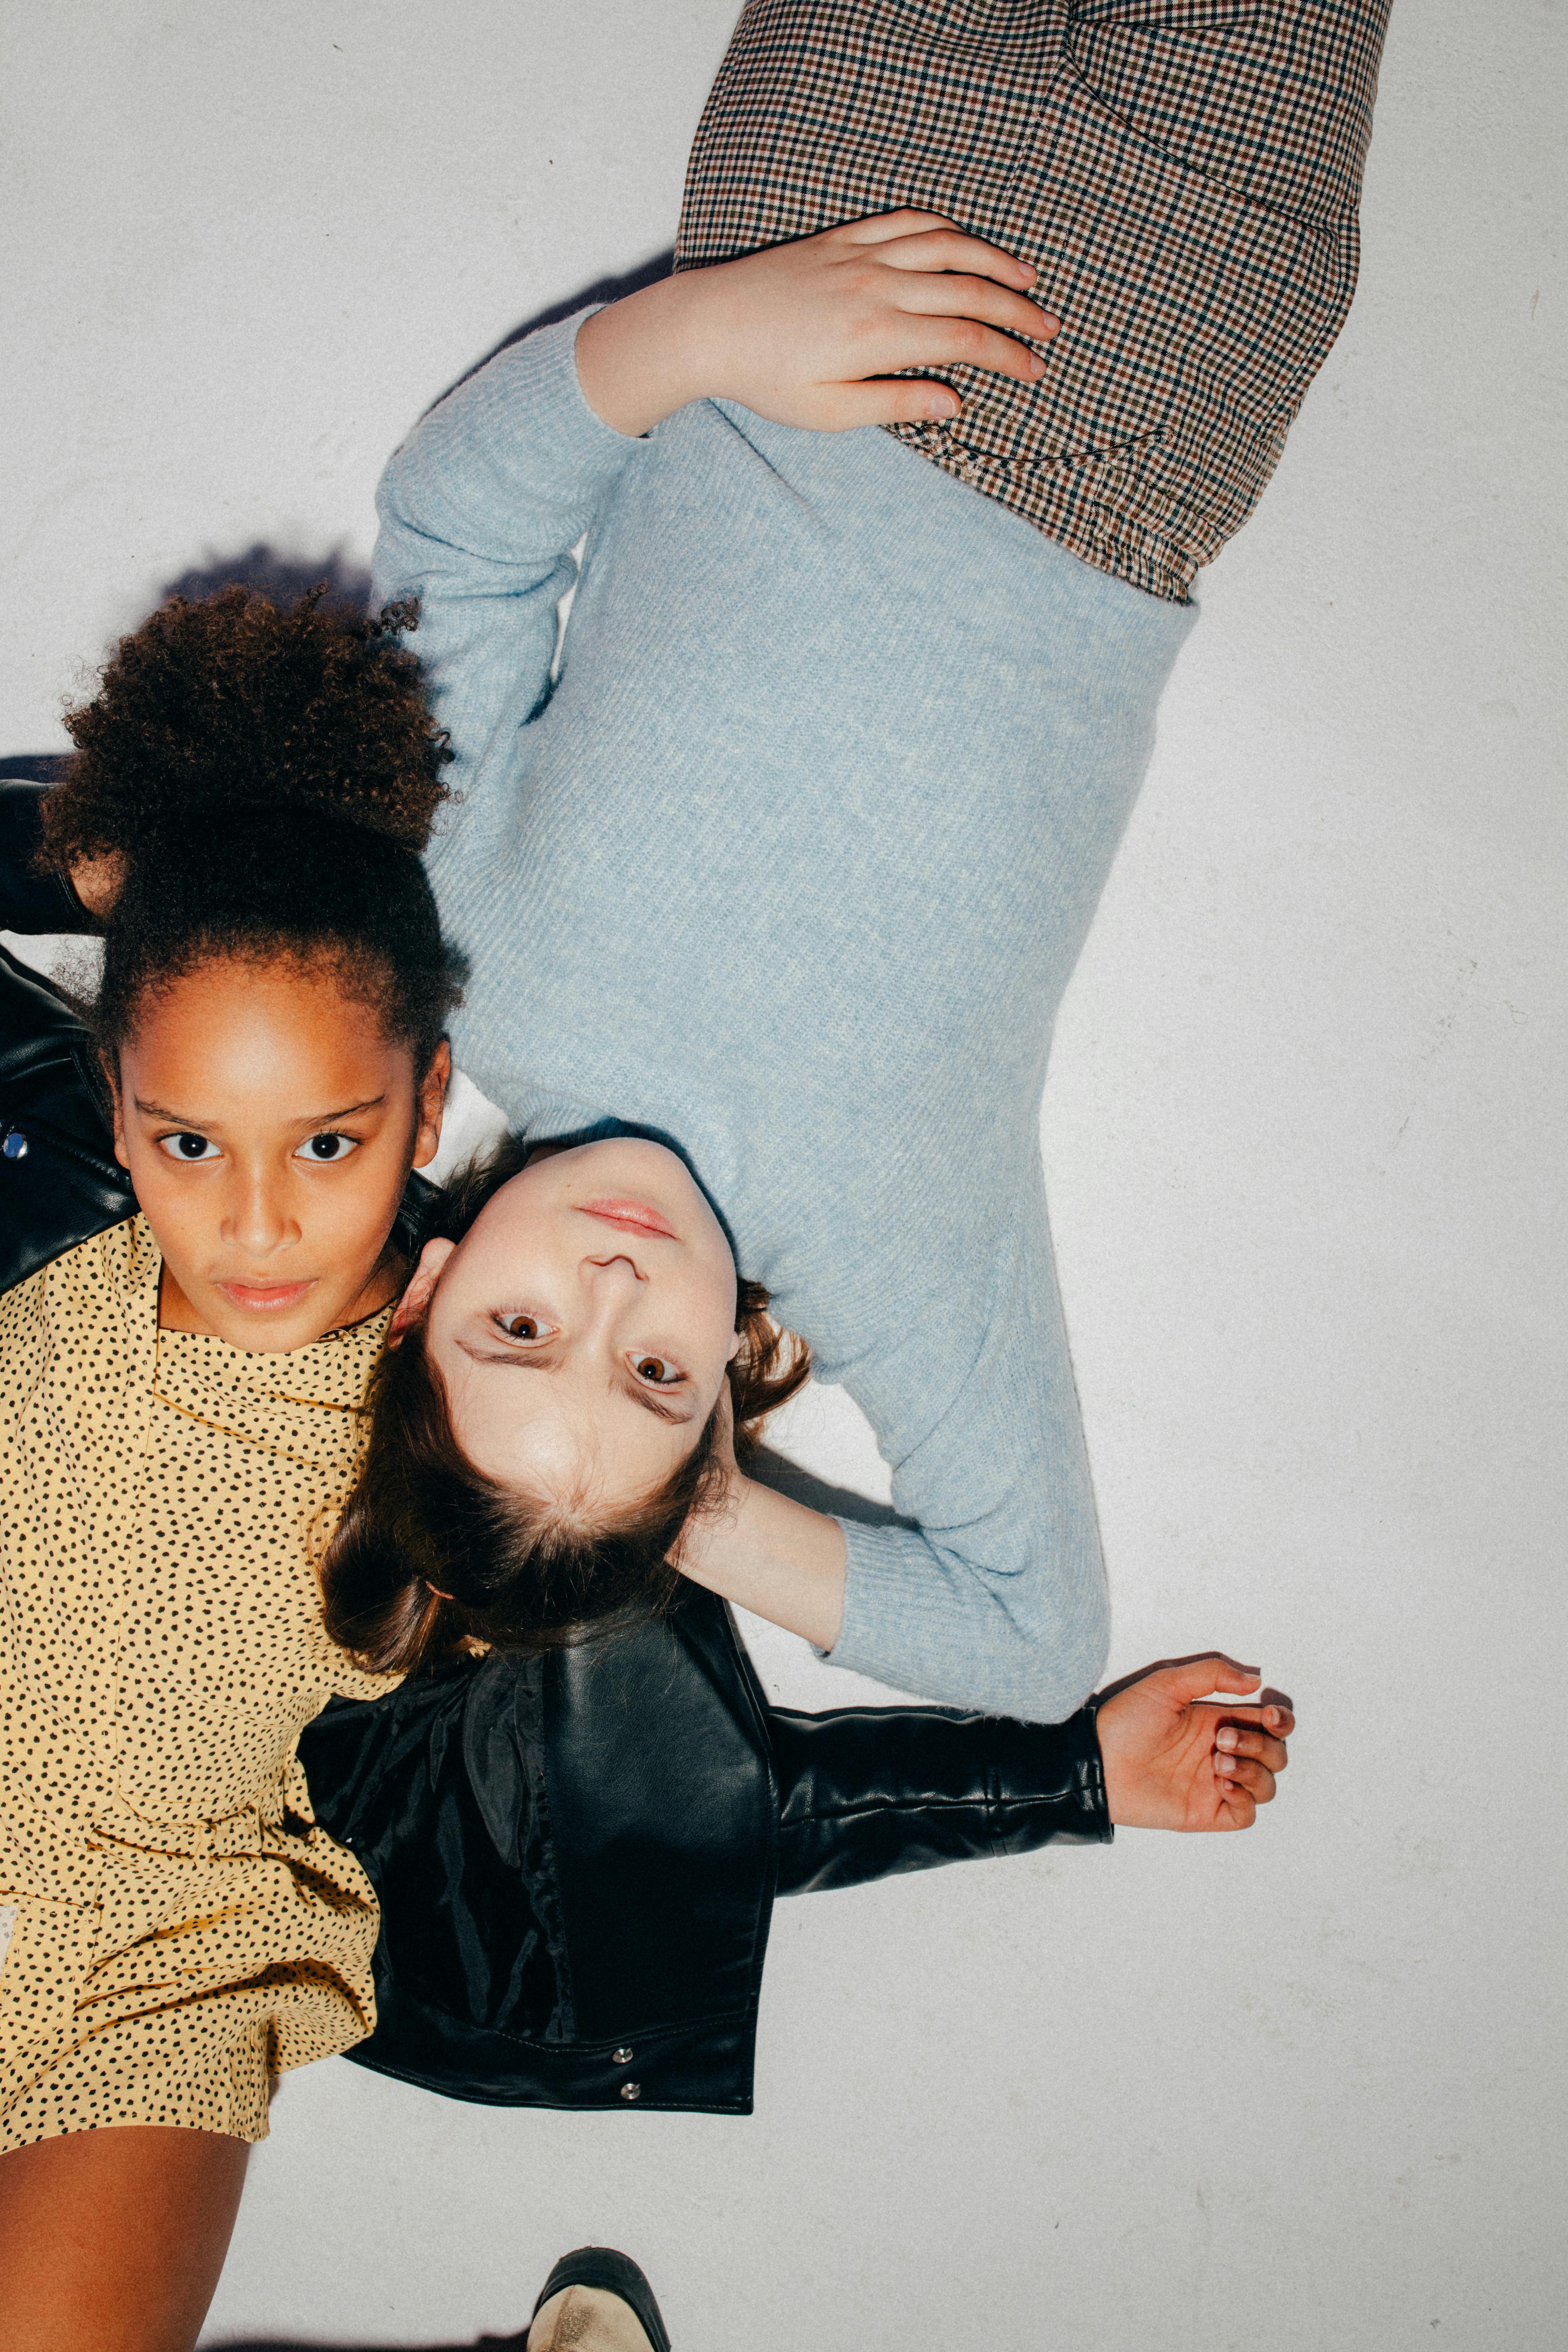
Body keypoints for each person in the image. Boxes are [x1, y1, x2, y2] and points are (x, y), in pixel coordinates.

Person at [331, 0, 1392, 1720]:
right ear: (714, 1427)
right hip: (1150, 372)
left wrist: (691, 334)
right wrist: (701, 1523)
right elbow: (1036, 1642)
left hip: (822, 207)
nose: (610, 1289)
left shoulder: (464, 953)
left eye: (520, 1334)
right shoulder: (892, 1245)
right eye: (659, 1375)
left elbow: (452, 534)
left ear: (424, 1294)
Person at [0, 586, 461, 2348]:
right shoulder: (42, 1242)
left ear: (426, 1108)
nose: (256, 1220)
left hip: (153, 1957)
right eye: (190, 1139)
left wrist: (1058, 1783)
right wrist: (115, 873)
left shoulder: (460, 1412)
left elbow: (652, 1764)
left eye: (327, 1144)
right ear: (117, 1105)